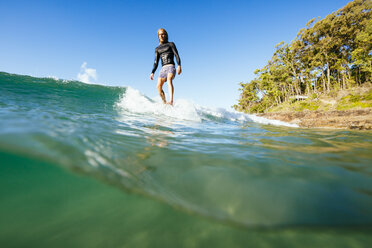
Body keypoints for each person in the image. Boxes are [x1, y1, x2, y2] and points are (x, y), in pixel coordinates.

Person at [150, 28, 182, 106]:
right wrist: (152, 72)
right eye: (160, 34)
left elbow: (176, 55)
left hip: (171, 66)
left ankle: (171, 101)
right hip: (163, 69)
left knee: (169, 80)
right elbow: (156, 62)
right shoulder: (157, 49)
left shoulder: (171, 44)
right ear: (158, 36)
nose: (162, 35)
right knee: (158, 86)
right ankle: (164, 103)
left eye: (163, 34)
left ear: (166, 35)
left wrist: (179, 65)